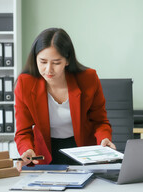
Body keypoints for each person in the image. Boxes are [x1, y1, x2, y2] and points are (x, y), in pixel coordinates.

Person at [14, 28, 115, 171]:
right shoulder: (25, 84)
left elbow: (100, 122)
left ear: (67, 60)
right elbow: (23, 131)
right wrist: (27, 149)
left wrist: (104, 138)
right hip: (45, 153)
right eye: (42, 61)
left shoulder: (89, 79)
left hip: (83, 151)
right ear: (35, 58)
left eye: (56, 63)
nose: (48, 69)